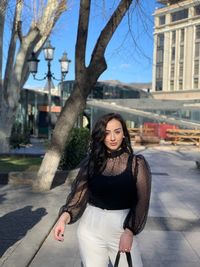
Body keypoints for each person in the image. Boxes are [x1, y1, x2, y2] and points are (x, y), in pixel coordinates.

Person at [54, 113, 151, 267]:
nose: (112, 138)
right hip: (90, 228)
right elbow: (78, 196)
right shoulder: (91, 162)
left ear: (124, 134)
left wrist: (130, 231)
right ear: (101, 136)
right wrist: (63, 218)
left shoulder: (137, 164)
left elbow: (142, 201)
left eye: (117, 132)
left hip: (122, 229)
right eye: (106, 133)